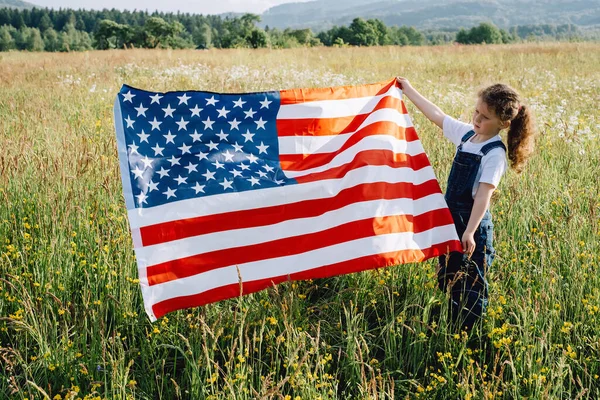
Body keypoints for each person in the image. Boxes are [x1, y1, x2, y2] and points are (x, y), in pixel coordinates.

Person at [397, 77, 536, 330]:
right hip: (452, 220)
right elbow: (437, 116)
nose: (477, 119)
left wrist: (470, 232)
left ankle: (468, 333)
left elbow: (483, 196)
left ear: (503, 123)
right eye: (477, 112)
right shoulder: (467, 136)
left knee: (472, 283)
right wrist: (408, 90)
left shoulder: (494, 153)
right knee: (450, 276)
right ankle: (452, 326)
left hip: (474, 228)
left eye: (484, 117)